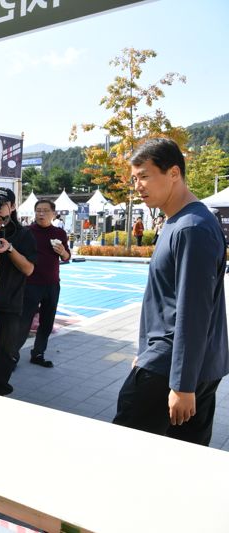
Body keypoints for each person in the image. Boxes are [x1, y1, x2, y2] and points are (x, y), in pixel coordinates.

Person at [113, 138, 229, 446]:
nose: (138, 185)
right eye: (134, 178)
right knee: (181, 459)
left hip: (172, 370)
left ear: (174, 172)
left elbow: (195, 312)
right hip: (175, 362)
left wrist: (182, 384)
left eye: (145, 175)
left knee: (126, 451)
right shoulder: (180, 223)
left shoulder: (192, 228)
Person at [0, 188, 37, 396]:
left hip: (9, 303)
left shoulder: (24, 234)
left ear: (13, 206)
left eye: (3, 202)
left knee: (5, 353)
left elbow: (29, 269)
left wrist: (10, 249)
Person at [16, 199, 71, 368]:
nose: (41, 214)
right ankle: (11, 356)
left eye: (45, 211)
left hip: (52, 284)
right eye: (38, 210)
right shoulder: (26, 232)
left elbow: (67, 257)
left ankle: (38, 353)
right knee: (23, 323)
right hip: (31, 284)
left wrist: (62, 251)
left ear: (53, 214)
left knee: (47, 322)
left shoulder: (60, 234)